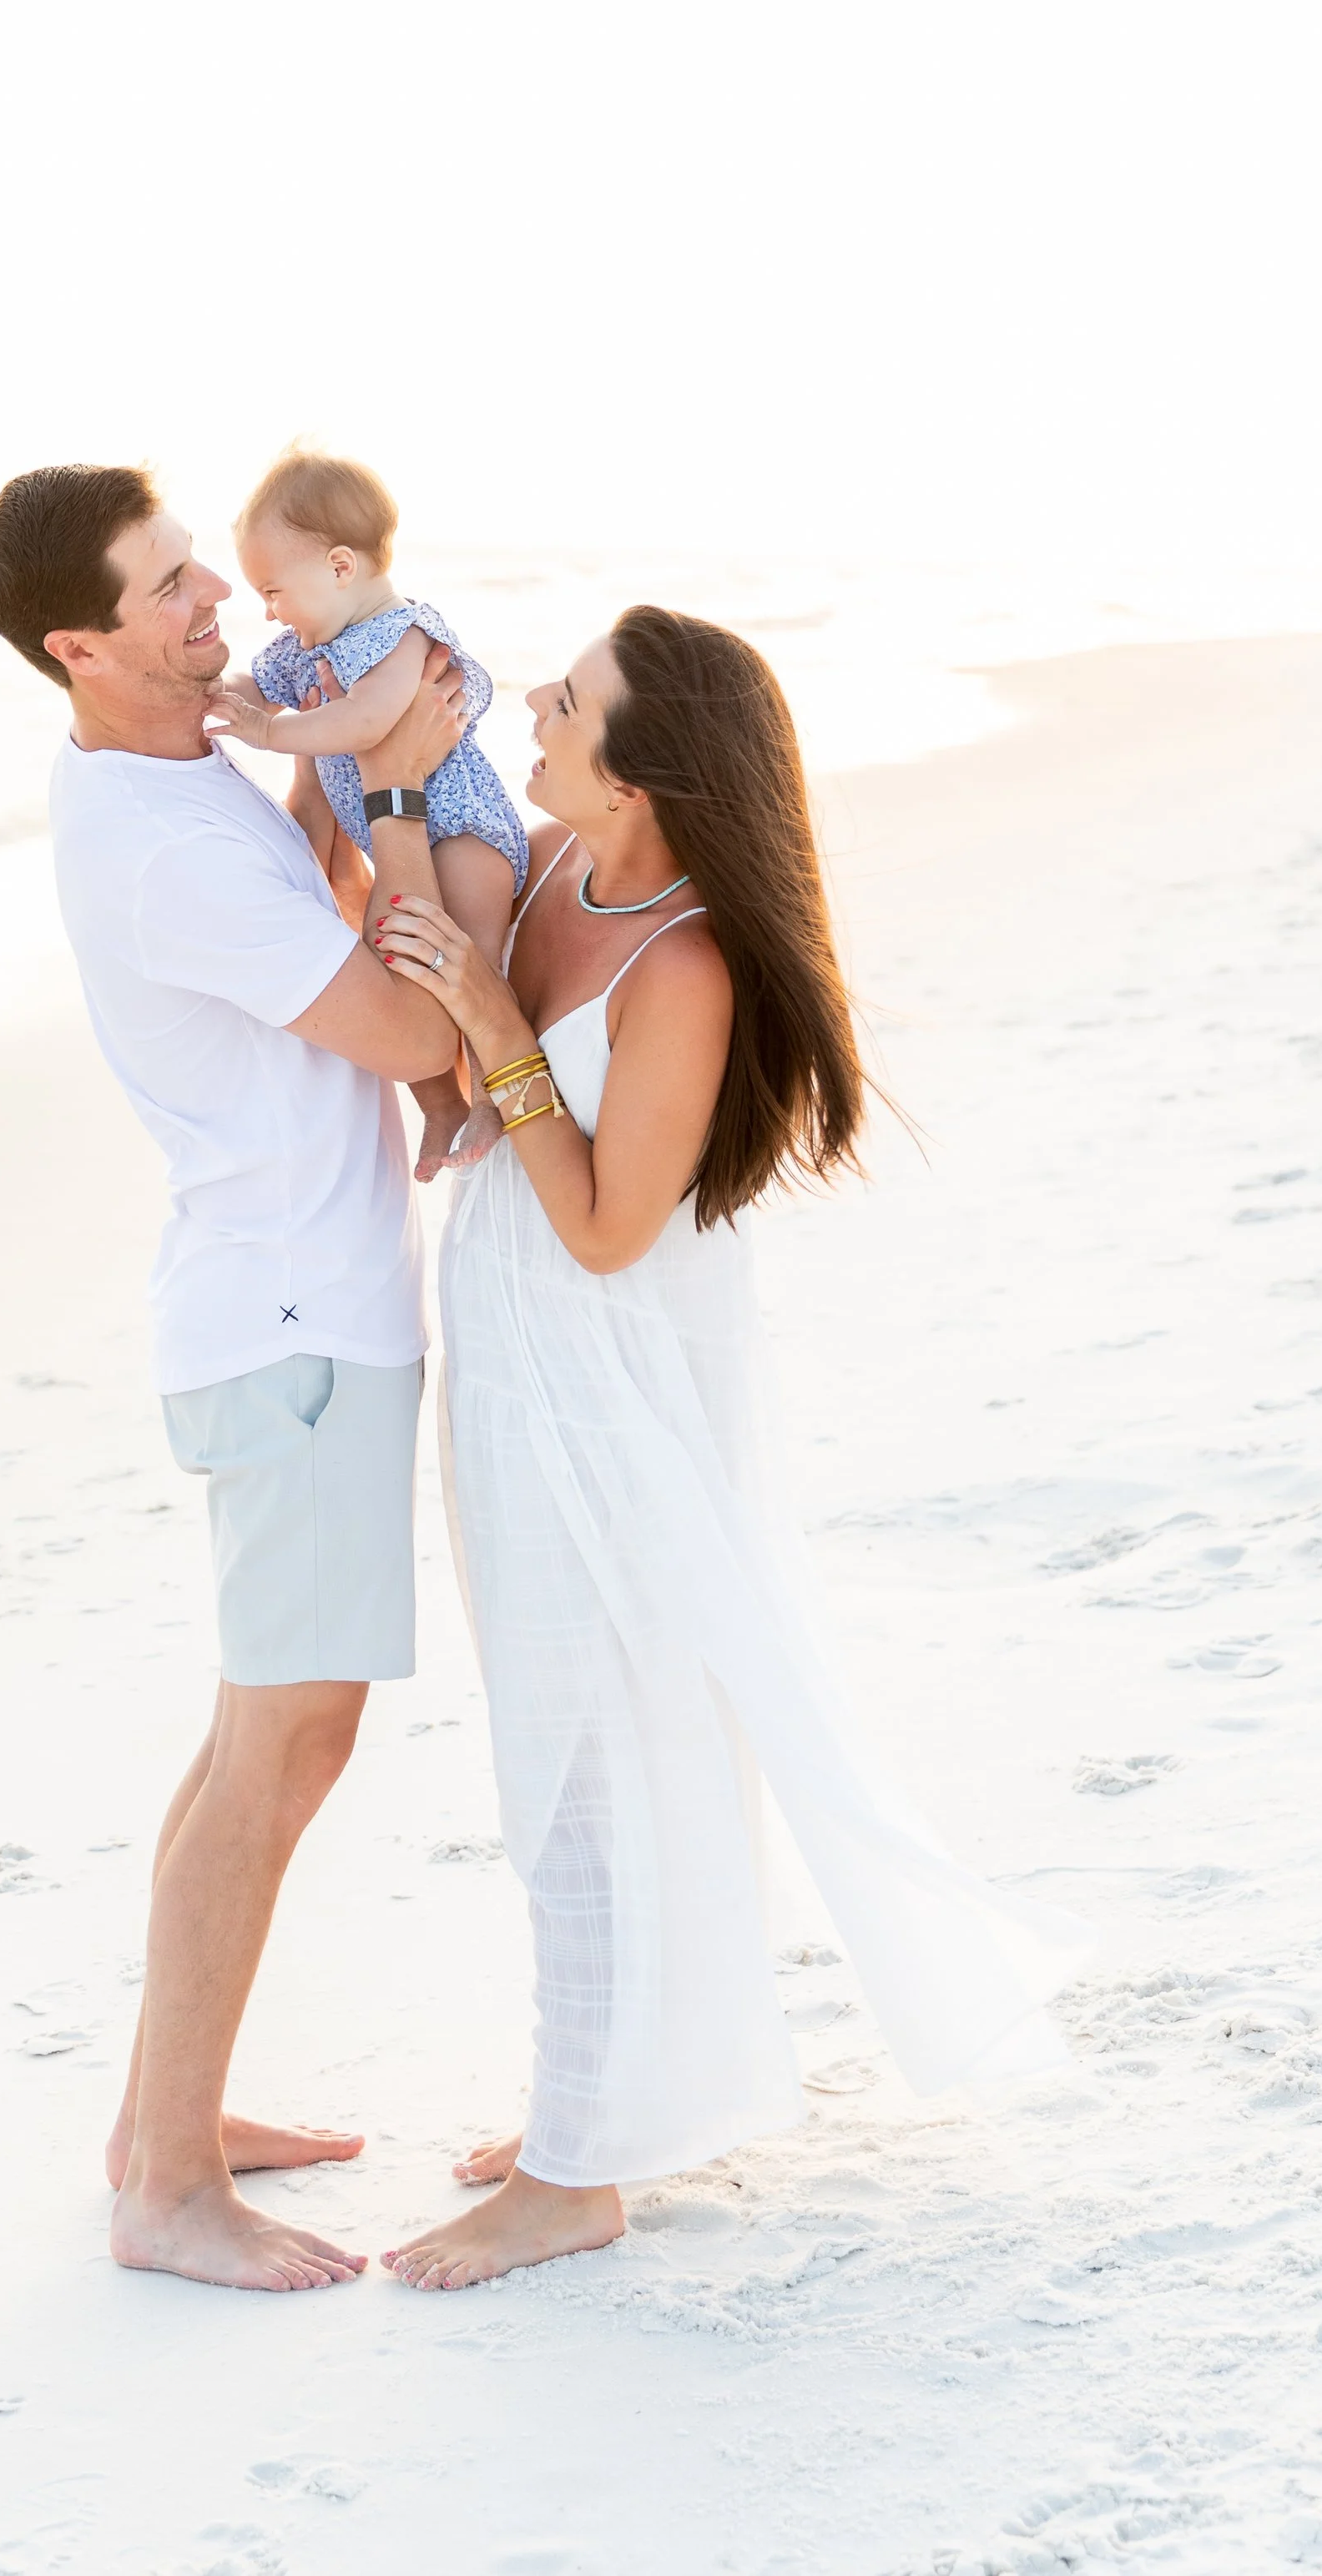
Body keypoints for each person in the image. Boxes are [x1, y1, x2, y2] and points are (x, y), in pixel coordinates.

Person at [372, 606, 1094, 2289]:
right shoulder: (554, 862)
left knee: (587, 1733)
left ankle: (575, 2169)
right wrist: (377, 771)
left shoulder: (682, 963)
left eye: (566, 704)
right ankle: (605, 2100)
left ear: (645, 772)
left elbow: (613, 1228)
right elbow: (437, 971)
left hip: (607, 1358)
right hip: (509, 1343)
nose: (533, 712)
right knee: (564, 1718)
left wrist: (490, 1029)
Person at [0, 462, 467, 2294]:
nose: (212, 608)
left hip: (287, 1314)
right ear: (78, 647)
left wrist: (351, 773)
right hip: (293, 1334)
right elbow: (408, 1024)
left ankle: (155, 2120)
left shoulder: (175, 771)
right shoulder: (166, 840)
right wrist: (403, 800)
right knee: (277, 1751)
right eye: (169, 592)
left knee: (260, 1742)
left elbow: (321, 903)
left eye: (199, 572)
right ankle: (165, 2183)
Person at [202, 447, 527, 1180]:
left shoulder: (400, 633)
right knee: (394, 966)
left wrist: (268, 733)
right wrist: (214, 698)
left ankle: (490, 1093)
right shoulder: (309, 644)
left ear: (341, 568)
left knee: (470, 965)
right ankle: (440, 1104)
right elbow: (259, 683)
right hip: (397, 835)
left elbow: (368, 724)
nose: (268, 611)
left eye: (274, 590)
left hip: (467, 831)